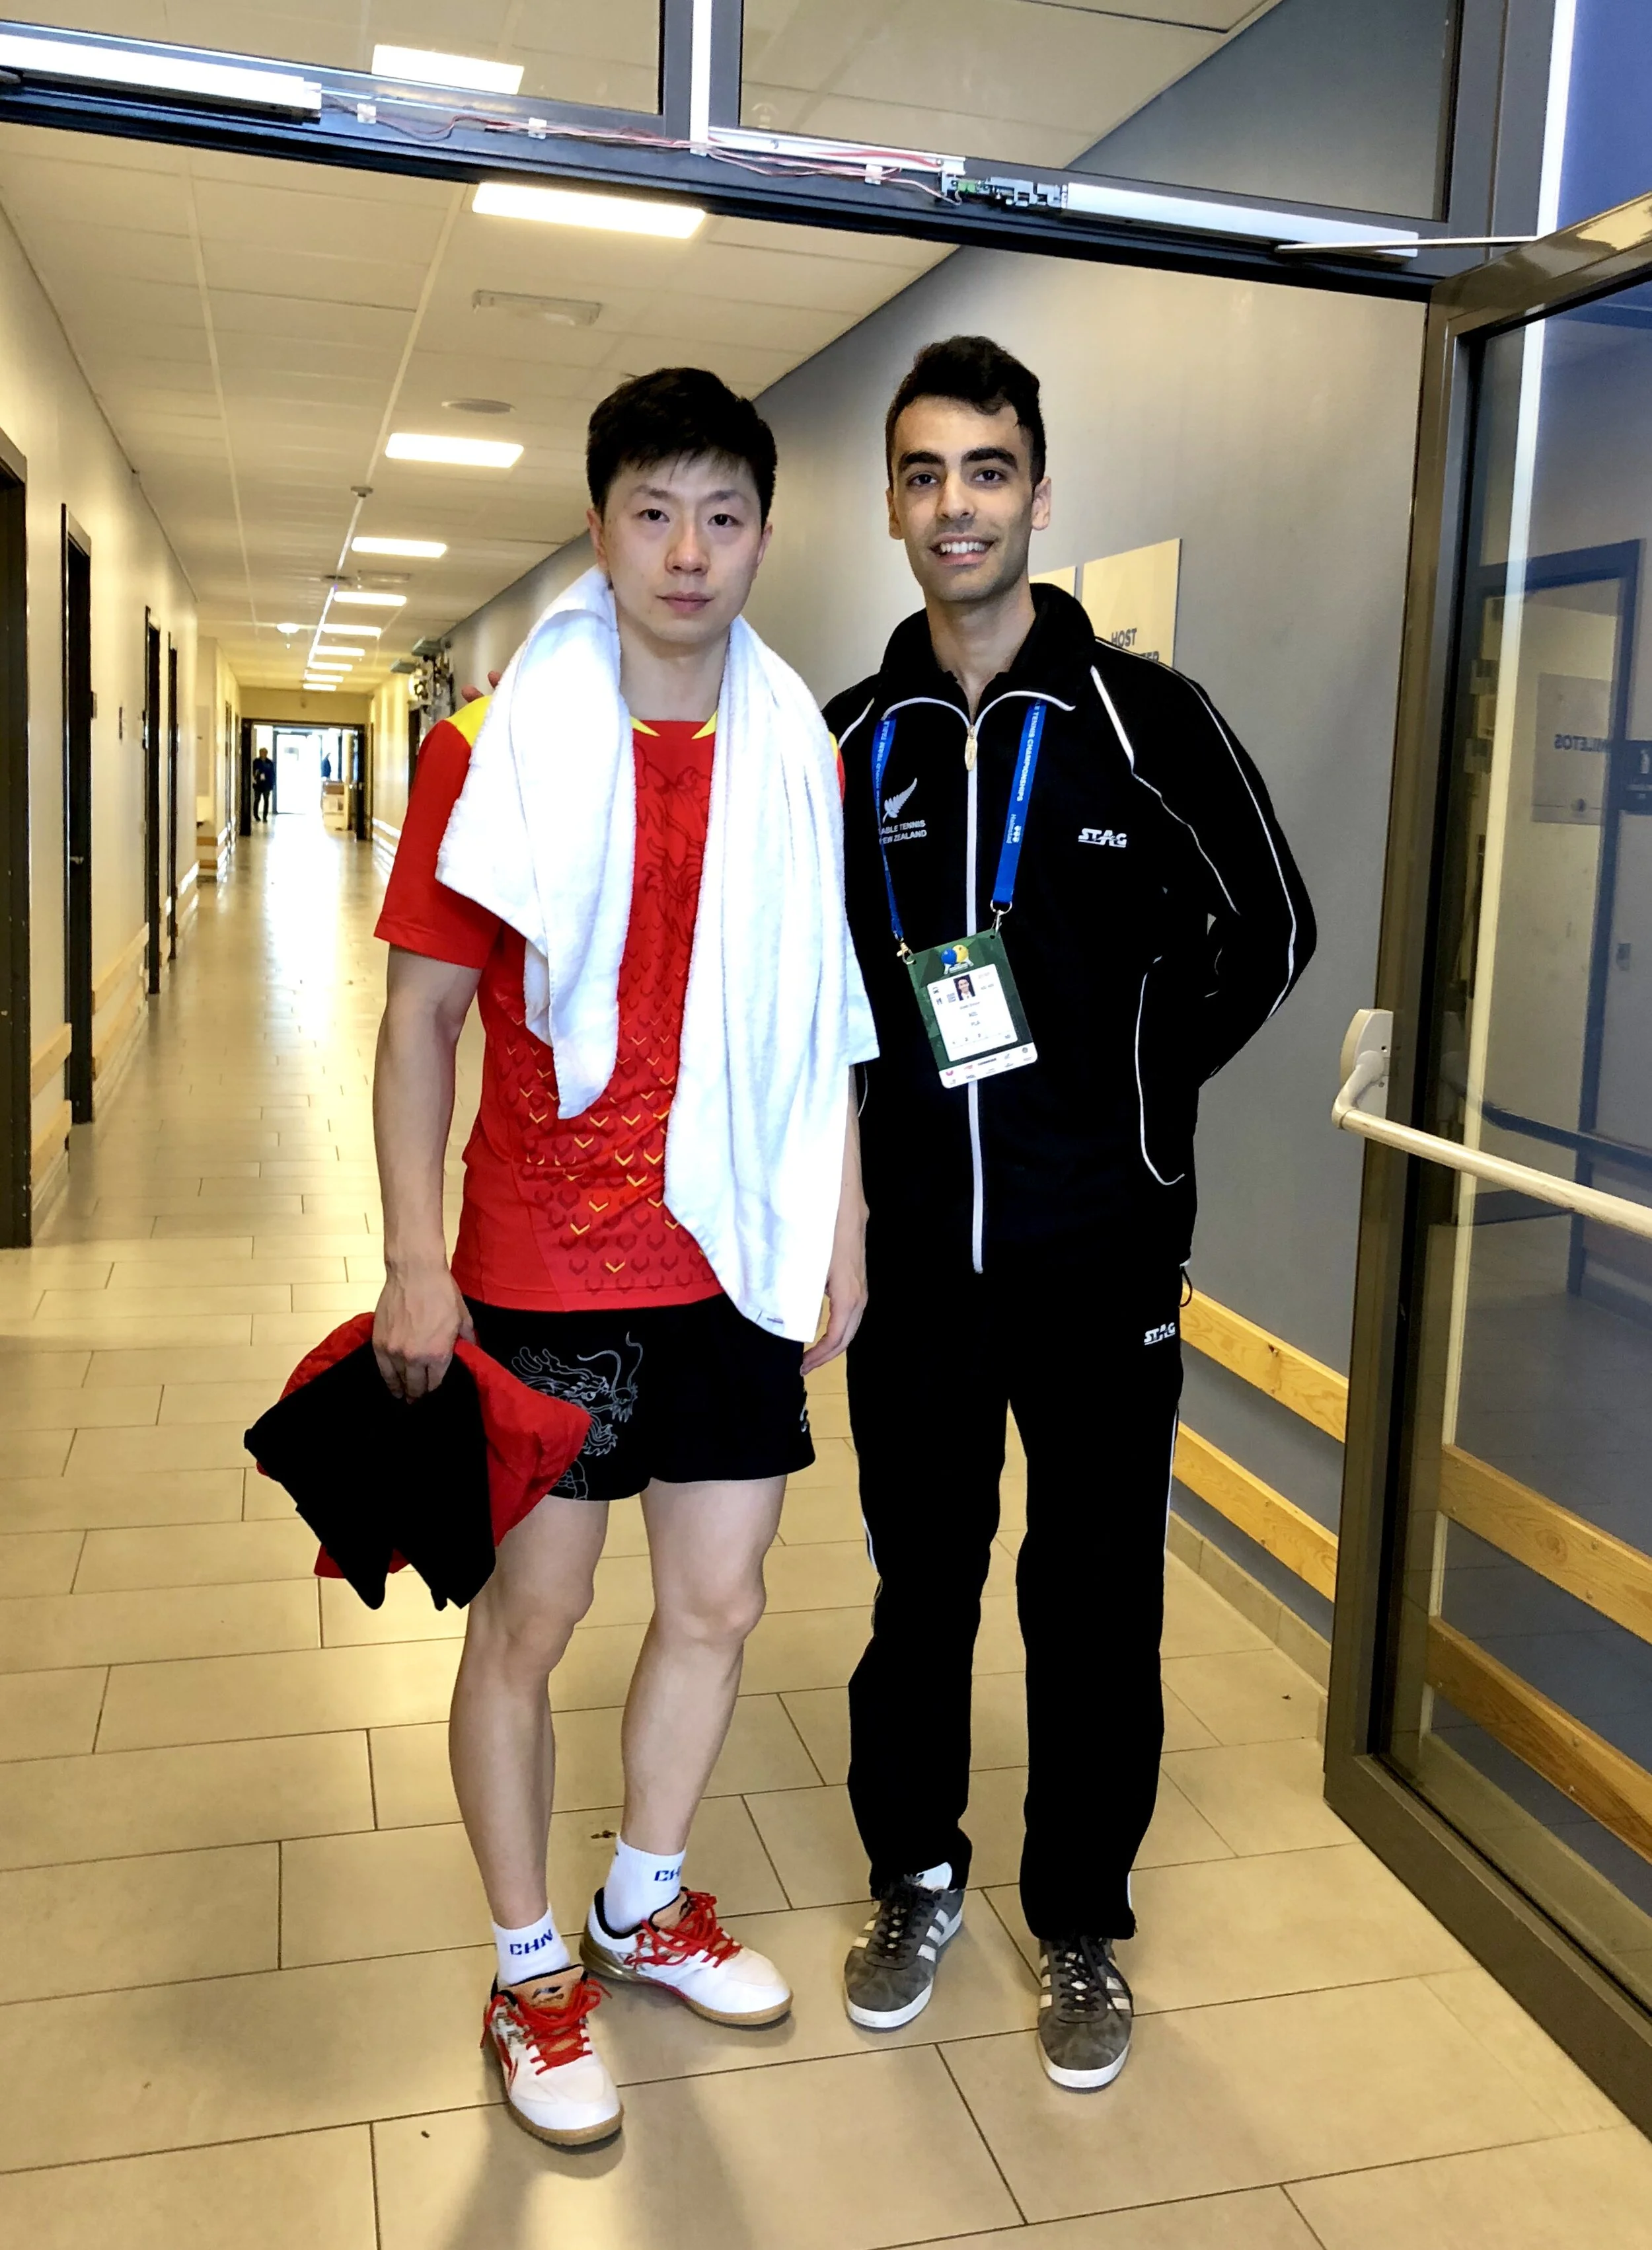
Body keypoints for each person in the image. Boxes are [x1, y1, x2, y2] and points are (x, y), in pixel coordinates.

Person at [370, 366, 875, 2150]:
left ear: (759, 534)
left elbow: (818, 1017)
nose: (687, 550)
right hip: (541, 1265)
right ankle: (527, 1969)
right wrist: (412, 1255)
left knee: (721, 1601)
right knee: (535, 1614)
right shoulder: (490, 747)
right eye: (651, 512)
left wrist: (843, 1222)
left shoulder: (794, 755)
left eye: (722, 515)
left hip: (726, 1249)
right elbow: (421, 1020)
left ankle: (640, 1899)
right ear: (597, 527)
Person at [825, 336, 1314, 2091]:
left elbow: (1262, 926)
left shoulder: (1143, 719)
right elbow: (813, 1002)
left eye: (985, 469)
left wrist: (1136, 1089)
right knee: (920, 1585)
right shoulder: (845, 739)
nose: (953, 503)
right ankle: (915, 1872)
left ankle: (1082, 1919)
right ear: (892, 502)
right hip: (917, 1273)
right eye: (922, 472)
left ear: (1037, 490)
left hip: (1105, 1252)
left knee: (1095, 1591)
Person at [251, 751, 274, 822]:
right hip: (258, 784)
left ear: (266, 753)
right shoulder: (256, 761)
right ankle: (256, 815)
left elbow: (272, 773)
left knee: (266, 800)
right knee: (257, 800)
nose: (263, 754)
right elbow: (254, 771)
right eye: (262, 753)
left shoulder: (270, 762)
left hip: (267, 785)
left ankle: (265, 816)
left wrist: (272, 784)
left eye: (264, 753)